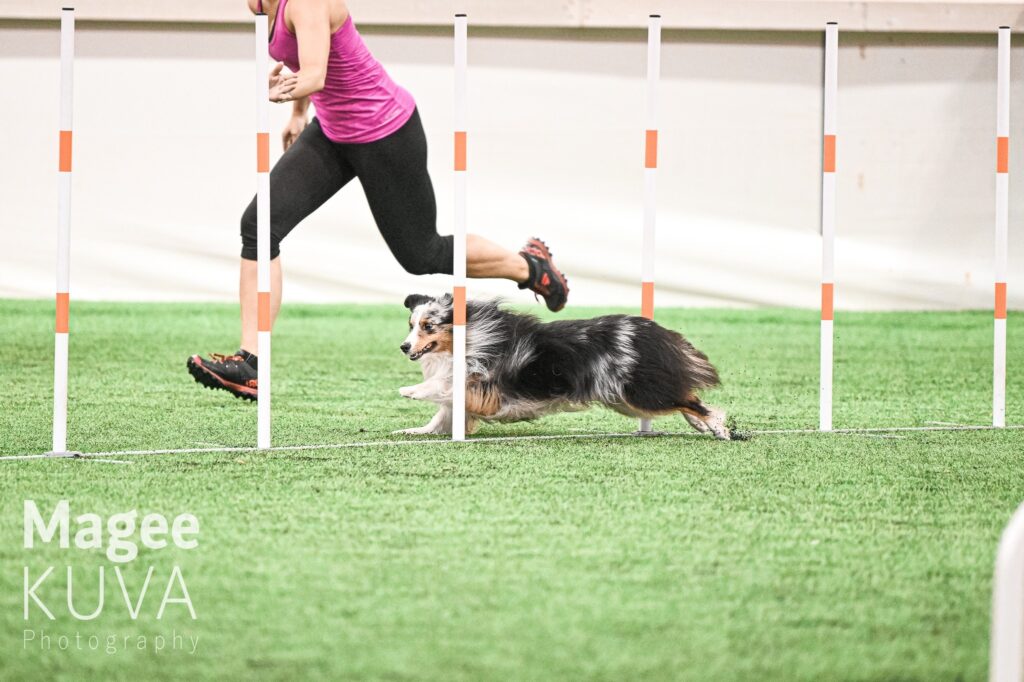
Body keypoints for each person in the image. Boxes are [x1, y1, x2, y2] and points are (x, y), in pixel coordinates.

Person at [188, 0, 569, 400]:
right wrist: (298, 114)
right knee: (259, 225)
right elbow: (309, 57)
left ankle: (530, 268)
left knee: (422, 254)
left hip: (385, 132)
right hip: (334, 132)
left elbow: (314, 74)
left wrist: (287, 91)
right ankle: (251, 364)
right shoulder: (266, 5)